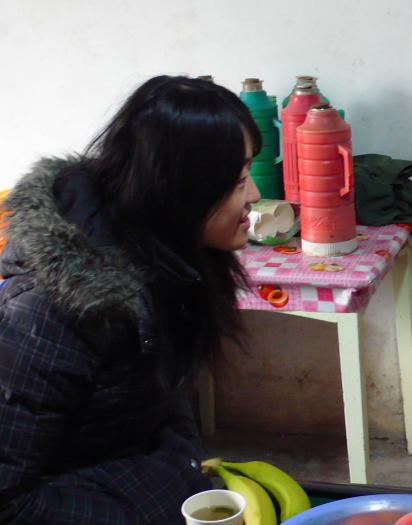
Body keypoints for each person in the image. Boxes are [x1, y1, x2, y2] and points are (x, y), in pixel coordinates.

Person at [0, 75, 261, 524]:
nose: (254, 195)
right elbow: (10, 501)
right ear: (180, 190)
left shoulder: (170, 260)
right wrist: (158, 500)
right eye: (237, 181)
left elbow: (163, 397)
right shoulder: (46, 315)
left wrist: (179, 467)